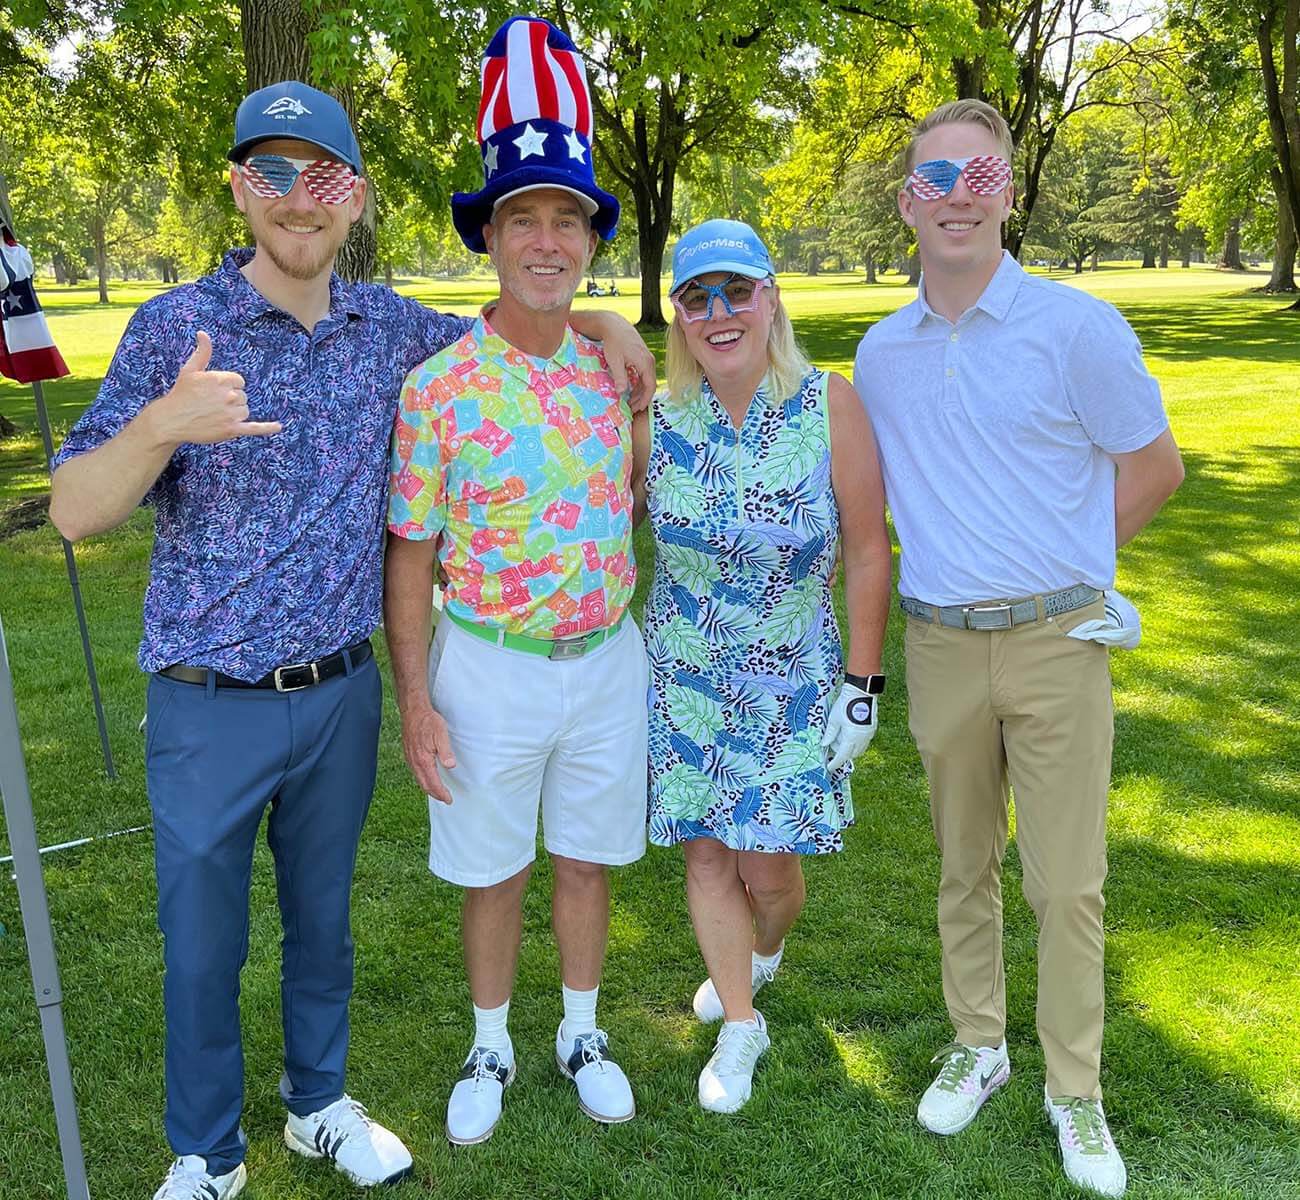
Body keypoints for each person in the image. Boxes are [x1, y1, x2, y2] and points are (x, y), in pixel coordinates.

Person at [47, 79, 651, 1200]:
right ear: (238, 187)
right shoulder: (177, 326)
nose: (296, 197)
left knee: (322, 927)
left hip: (338, 689)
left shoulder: (390, 330)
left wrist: (609, 322)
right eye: (270, 173)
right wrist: (160, 424)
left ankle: (318, 1105)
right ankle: (208, 1154)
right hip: (206, 694)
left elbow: (520, 326)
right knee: (202, 947)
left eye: (319, 175)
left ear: (356, 197)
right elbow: (77, 510)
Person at [853, 100, 1184, 1197]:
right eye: (934, 178)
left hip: (1054, 640)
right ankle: (979, 1045)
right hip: (942, 641)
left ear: (1010, 194)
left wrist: (1084, 571)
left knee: (1064, 882)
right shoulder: (881, 351)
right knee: (962, 867)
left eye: (979, 176)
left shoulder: (1073, 327)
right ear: (907, 203)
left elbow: (1153, 467)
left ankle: (1073, 1092)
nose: (956, 195)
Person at [384, 17, 647, 1147]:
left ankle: (579, 1029)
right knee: (492, 870)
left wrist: (612, 332)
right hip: (486, 662)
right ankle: (489, 1041)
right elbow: (407, 553)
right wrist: (415, 698)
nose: (547, 240)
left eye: (567, 219)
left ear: (589, 238)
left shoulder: (614, 362)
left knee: (585, 860)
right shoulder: (437, 388)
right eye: (523, 218)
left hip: (606, 660)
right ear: (490, 235)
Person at [632, 219, 892, 1113]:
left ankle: (765, 947)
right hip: (688, 680)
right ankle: (742, 1022)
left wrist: (862, 686)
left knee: (768, 870)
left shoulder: (829, 404)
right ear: (678, 317)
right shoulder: (658, 421)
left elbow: (866, 550)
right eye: (695, 297)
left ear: (771, 298)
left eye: (736, 291)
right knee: (707, 854)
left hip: (794, 678)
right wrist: (605, 330)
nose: (717, 312)